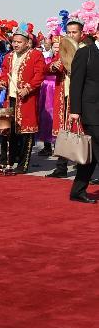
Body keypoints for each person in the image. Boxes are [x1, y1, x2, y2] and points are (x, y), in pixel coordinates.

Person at [0, 27, 46, 174]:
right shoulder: (9, 56)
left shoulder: (36, 55)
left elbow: (39, 75)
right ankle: (8, 159)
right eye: (14, 42)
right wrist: (2, 82)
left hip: (26, 99)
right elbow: (4, 73)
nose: (15, 45)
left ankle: (23, 164)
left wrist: (28, 88)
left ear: (28, 43)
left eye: (19, 42)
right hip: (10, 97)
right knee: (9, 130)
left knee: (26, 132)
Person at [47, 19, 89, 178]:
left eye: (74, 32)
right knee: (63, 131)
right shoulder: (63, 48)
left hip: (81, 96)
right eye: (69, 32)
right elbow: (48, 68)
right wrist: (55, 65)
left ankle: (82, 166)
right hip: (63, 94)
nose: (71, 35)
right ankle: (61, 167)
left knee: (80, 131)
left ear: (82, 34)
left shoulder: (87, 50)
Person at [68, 36, 99, 203]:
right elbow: (76, 82)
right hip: (91, 110)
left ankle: (77, 190)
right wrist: (75, 110)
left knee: (92, 154)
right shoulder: (85, 53)